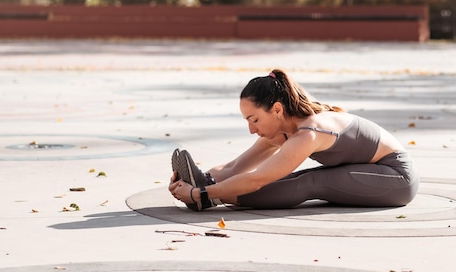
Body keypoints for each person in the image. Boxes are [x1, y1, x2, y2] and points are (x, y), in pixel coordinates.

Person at [169, 69, 418, 211]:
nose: (251, 129)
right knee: (296, 179)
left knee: (310, 181)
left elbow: (257, 180)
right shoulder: (284, 130)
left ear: (277, 109)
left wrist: (199, 193)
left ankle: (211, 197)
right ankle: (210, 193)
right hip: (365, 169)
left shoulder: (309, 132)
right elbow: (236, 167)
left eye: (254, 119)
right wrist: (204, 180)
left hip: (395, 177)